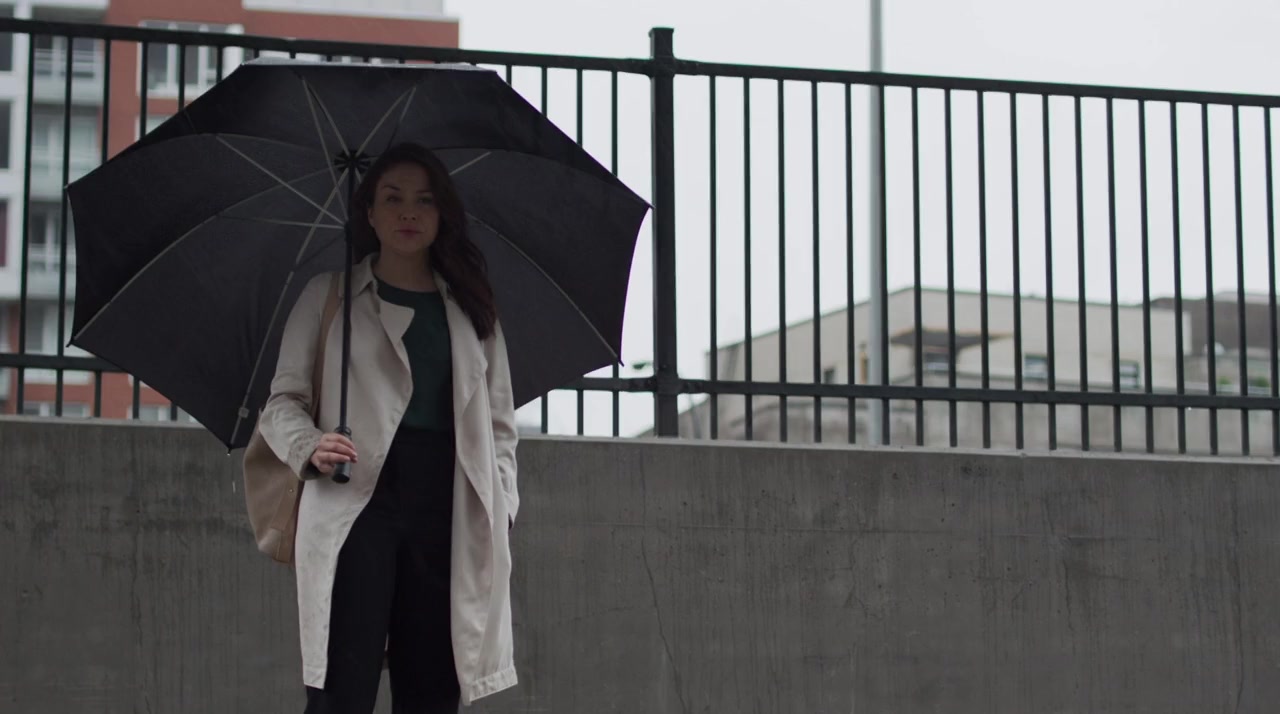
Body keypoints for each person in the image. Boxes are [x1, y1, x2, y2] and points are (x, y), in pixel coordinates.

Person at [258, 142, 520, 713]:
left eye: (424, 200)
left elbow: (500, 426)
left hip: (448, 505)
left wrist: (502, 506)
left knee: (433, 686)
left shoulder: (472, 310)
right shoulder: (330, 295)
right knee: (341, 685)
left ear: (442, 214)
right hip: (354, 498)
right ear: (369, 213)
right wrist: (311, 445)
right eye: (393, 198)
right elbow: (282, 402)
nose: (408, 213)